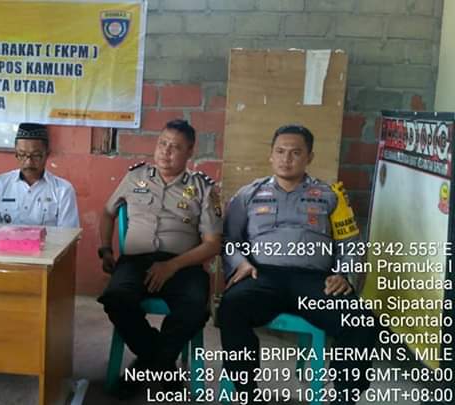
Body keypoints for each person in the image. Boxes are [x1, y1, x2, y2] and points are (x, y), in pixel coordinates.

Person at [219, 124, 375, 405]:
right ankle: (246, 392)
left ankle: (345, 397)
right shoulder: (248, 194)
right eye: (280, 151)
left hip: (315, 281)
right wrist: (240, 263)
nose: (286, 159)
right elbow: (230, 239)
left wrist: (344, 274)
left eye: (295, 153)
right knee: (231, 306)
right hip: (262, 276)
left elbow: (351, 243)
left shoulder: (331, 196)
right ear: (270, 155)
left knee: (360, 320)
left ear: (309, 157)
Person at [97, 119, 222, 397]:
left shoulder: (203, 188)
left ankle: (146, 365)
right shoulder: (135, 177)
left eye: (175, 147)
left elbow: (213, 244)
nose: (166, 151)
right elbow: (107, 213)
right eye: (162, 144)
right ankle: (162, 363)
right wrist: (105, 249)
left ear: (190, 152)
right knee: (115, 299)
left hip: (182, 265)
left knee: (194, 308)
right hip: (135, 262)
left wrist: (171, 265)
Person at [0, 123, 79, 227]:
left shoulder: (63, 190)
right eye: (22, 155)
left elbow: (69, 234)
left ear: (47, 155)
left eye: (36, 155)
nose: (28, 162)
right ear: (16, 154)